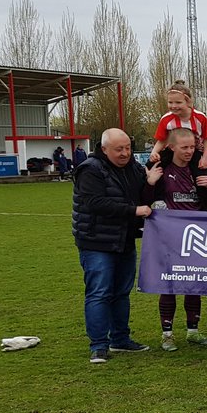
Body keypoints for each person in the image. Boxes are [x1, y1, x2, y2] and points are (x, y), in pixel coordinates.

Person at [72, 128, 158, 363]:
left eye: (128, 148)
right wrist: (133, 211)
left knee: (121, 292)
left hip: (124, 239)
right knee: (99, 292)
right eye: (119, 149)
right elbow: (96, 203)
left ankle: (120, 339)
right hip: (96, 241)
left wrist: (150, 184)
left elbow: (143, 198)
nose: (125, 153)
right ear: (104, 149)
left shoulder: (133, 168)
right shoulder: (90, 169)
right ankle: (98, 345)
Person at [149, 128, 207, 352]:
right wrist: (150, 184)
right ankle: (167, 335)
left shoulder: (199, 167)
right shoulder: (161, 168)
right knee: (168, 284)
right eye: (184, 147)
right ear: (172, 147)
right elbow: (145, 198)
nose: (189, 151)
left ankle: (193, 331)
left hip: (196, 235)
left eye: (192, 147)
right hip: (168, 236)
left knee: (194, 282)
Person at [151, 81, 207, 162]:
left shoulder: (200, 117)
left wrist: (205, 157)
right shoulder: (166, 119)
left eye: (178, 102)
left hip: (194, 152)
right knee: (153, 164)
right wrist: (154, 152)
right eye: (170, 102)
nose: (174, 106)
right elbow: (161, 140)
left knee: (201, 168)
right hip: (172, 153)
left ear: (188, 101)